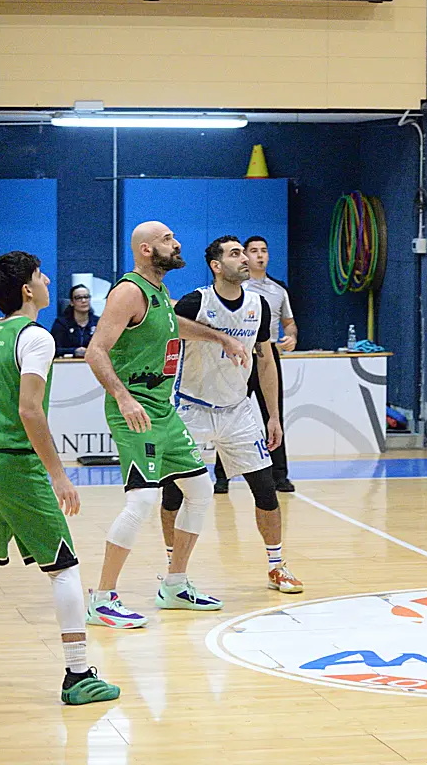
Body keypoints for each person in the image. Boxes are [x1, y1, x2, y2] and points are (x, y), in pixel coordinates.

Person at [0, 252, 120, 705]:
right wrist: (59, 475)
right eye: (40, 276)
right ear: (26, 290)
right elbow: (29, 409)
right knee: (65, 569)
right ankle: (78, 674)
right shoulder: (35, 337)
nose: (48, 280)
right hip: (14, 465)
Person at [84, 221, 247, 628]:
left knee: (200, 489)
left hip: (163, 410)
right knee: (141, 501)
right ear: (145, 250)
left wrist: (221, 338)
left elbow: (175, 327)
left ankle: (175, 585)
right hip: (136, 409)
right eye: (167, 239)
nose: (176, 244)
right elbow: (95, 351)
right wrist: (123, 398)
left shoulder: (158, 292)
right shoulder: (129, 292)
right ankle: (101, 598)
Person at [167, 236, 303, 594]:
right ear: (216, 265)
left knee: (266, 489)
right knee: (174, 494)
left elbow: (265, 359)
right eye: (235, 254)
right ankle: (173, 571)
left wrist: (273, 415)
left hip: (238, 410)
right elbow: (171, 327)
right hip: (192, 408)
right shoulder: (197, 301)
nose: (244, 259)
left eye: (244, 253)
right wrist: (220, 338)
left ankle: (277, 566)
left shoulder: (259, 304)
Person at [229, 235, 298, 493]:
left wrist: (291, 336)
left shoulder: (279, 290)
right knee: (231, 412)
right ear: (245, 255)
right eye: (254, 251)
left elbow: (289, 323)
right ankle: (223, 475)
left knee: (273, 413)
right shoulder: (236, 288)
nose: (260, 255)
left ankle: (280, 475)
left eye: (264, 251)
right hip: (240, 356)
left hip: (268, 355)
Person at [51, 285, 98, 357]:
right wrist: (74, 351)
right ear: (71, 302)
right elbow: (54, 349)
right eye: (78, 298)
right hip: (67, 365)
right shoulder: (61, 324)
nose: (83, 301)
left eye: (86, 297)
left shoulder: (98, 322)